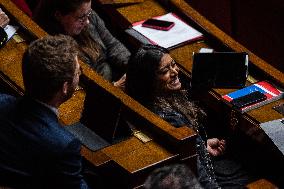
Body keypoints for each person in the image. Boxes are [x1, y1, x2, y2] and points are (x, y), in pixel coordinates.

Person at [126, 44, 256, 189]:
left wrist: (201, 146)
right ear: (149, 81)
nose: (175, 72)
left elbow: (182, 152)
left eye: (173, 64)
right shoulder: (169, 119)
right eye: (165, 71)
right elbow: (200, 176)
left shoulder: (152, 101)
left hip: (201, 161)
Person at [0, 35, 90, 189]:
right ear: (65, 87)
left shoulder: (1, 101)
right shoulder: (64, 145)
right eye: (77, 72)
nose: (79, 73)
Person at [33, 0, 131, 88]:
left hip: (111, 75)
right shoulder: (53, 47)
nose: (87, 22)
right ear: (59, 15)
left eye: (89, 13)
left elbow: (112, 44)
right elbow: (82, 84)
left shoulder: (86, 13)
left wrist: (132, 67)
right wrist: (115, 87)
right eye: (81, 17)